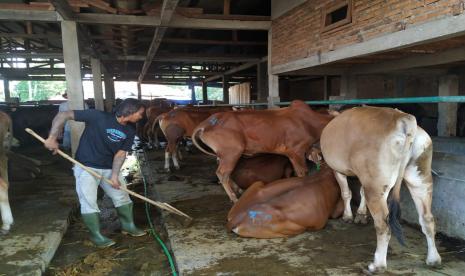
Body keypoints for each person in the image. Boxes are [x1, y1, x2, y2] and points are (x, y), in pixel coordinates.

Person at [44, 98, 146, 247]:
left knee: (122, 196)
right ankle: (96, 236)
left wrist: (114, 176)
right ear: (130, 111)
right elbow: (63, 115)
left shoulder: (130, 130)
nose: (141, 116)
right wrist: (52, 137)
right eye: (140, 113)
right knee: (89, 202)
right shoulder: (97, 116)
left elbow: (120, 154)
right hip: (86, 167)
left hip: (110, 167)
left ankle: (128, 226)